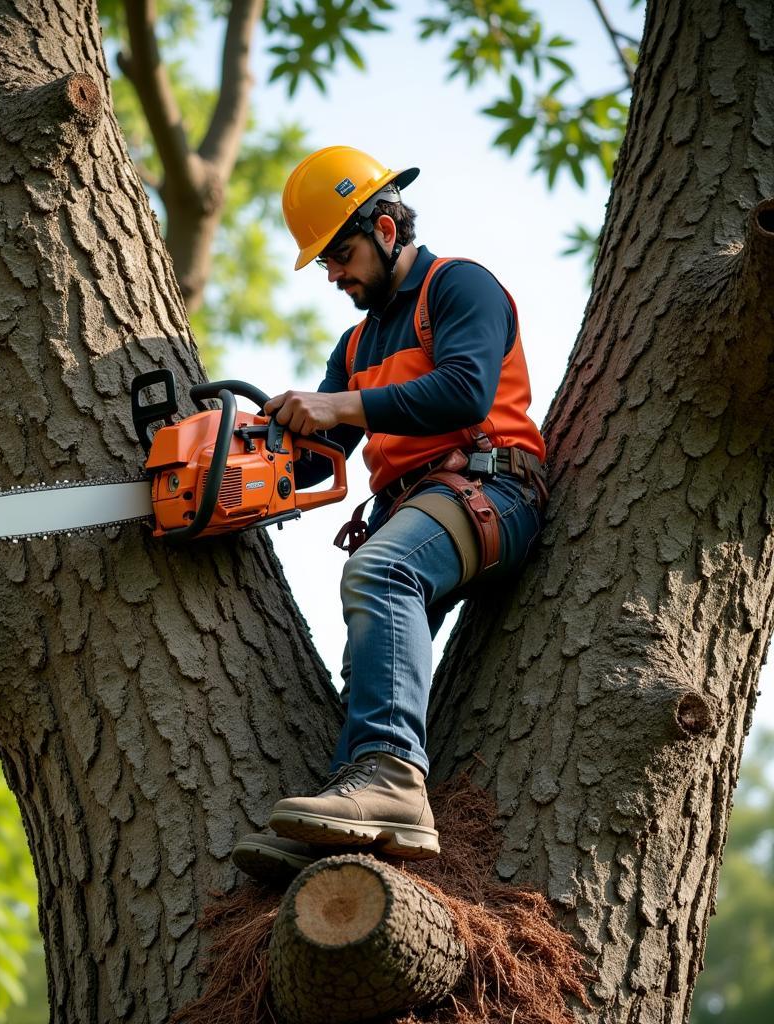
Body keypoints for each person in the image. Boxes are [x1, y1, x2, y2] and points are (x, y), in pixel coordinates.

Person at [231, 146, 548, 883]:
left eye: (340, 255)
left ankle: (394, 779)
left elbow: (466, 390)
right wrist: (234, 460)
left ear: (383, 226)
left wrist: (339, 404)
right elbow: (320, 452)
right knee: (366, 654)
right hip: (421, 510)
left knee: (381, 570)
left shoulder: (458, 285)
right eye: (325, 265)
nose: (335, 275)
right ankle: (350, 819)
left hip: (492, 488)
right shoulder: (358, 343)